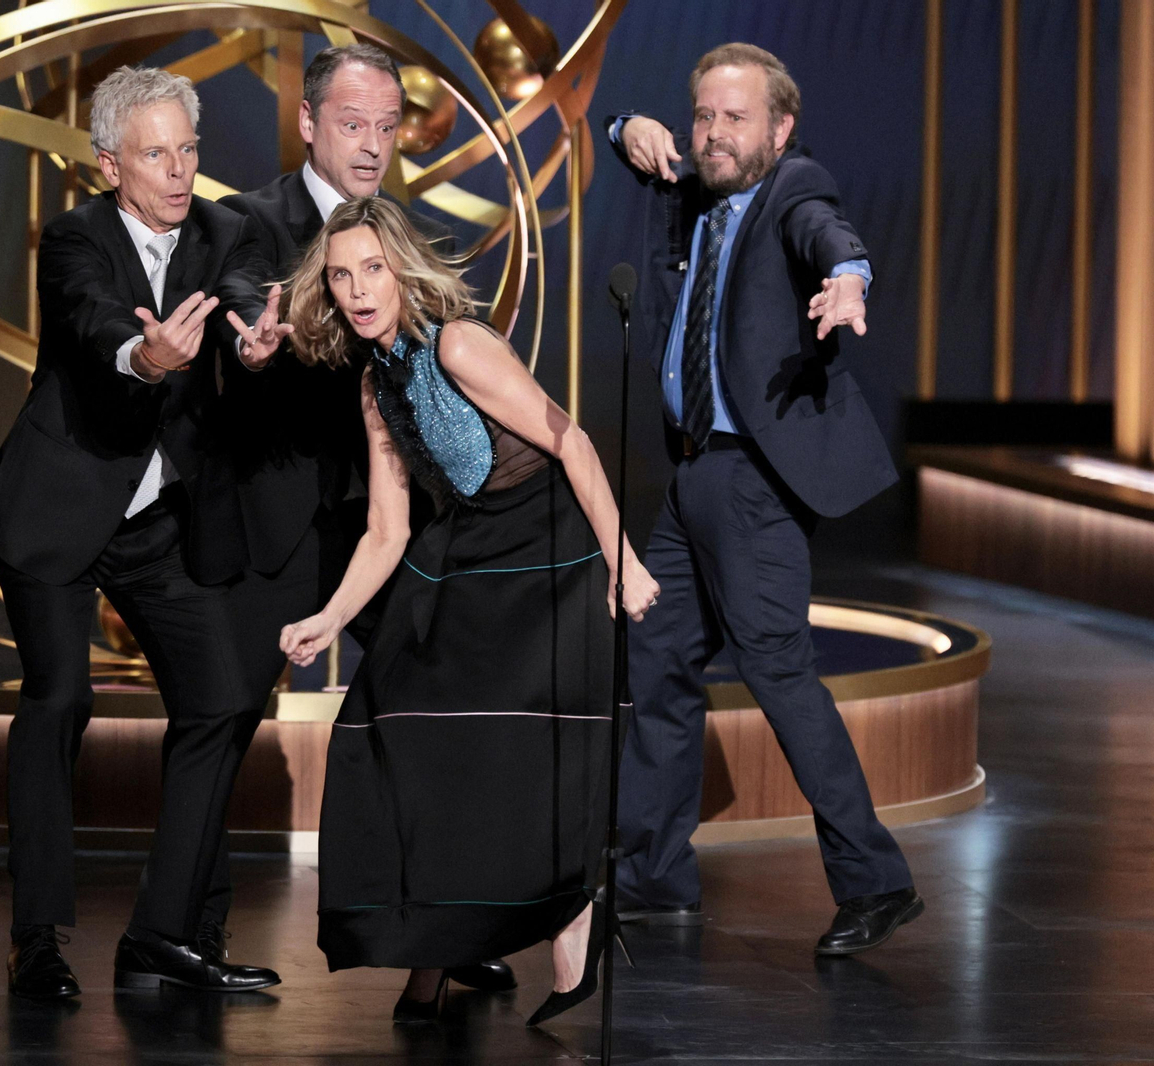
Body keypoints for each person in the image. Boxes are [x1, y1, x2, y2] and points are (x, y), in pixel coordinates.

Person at [276, 197, 661, 1025]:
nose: (357, 290)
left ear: (403, 270)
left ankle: (571, 923)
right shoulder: (377, 384)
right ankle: (435, 951)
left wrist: (623, 561)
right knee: (403, 730)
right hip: (469, 546)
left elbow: (571, 441)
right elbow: (387, 531)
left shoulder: (457, 344)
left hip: (547, 551)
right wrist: (330, 618)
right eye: (340, 276)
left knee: (516, 756)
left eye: (372, 269)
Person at [0, 66, 290, 1000]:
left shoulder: (222, 227)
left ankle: (165, 930)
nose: (179, 170)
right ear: (112, 164)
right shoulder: (74, 235)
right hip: (57, 505)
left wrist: (250, 342)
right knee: (60, 700)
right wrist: (144, 357)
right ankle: (36, 939)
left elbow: (240, 290)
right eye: (156, 154)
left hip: (156, 516)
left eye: (188, 149)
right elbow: (89, 320)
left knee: (224, 700)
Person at [211, 44, 514, 995]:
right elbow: (244, 306)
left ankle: (451, 931)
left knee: (431, 721)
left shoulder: (396, 232)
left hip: (388, 527)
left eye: (387, 127)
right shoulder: (250, 220)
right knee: (221, 725)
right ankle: (178, 936)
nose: (373, 145)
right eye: (353, 125)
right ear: (308, 124)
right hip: (275, 523)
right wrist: (257, 349)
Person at [606, 43, 922, 955]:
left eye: (735, 118)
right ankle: (651, 876)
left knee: (778, 672)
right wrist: (629, 127)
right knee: (658, 659)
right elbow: (619, 130)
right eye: (704, 115)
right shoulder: (697, 190)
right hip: (693, 475)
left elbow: (830, 233)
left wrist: (849, 278)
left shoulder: (791, 189)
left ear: (780, 130)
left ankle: (875, 881)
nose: (714, 133)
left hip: (752, 479)